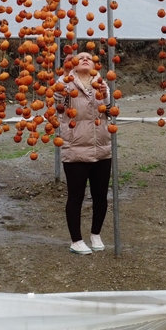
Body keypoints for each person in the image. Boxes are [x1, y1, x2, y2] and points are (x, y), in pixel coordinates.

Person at [58, 51, 113, 254]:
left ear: (94, 64)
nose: (85, 59)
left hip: (101, 147)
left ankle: (96, 234)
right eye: (80, 57)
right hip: (76, 147)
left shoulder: (101, 83)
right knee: (76, 196)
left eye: (89, 57)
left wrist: (106, 95)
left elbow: (110, 110)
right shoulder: (66, 83)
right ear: (73, 64)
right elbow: (56, 100)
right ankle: (76, 240)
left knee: (100, 196)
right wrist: (64, 74)